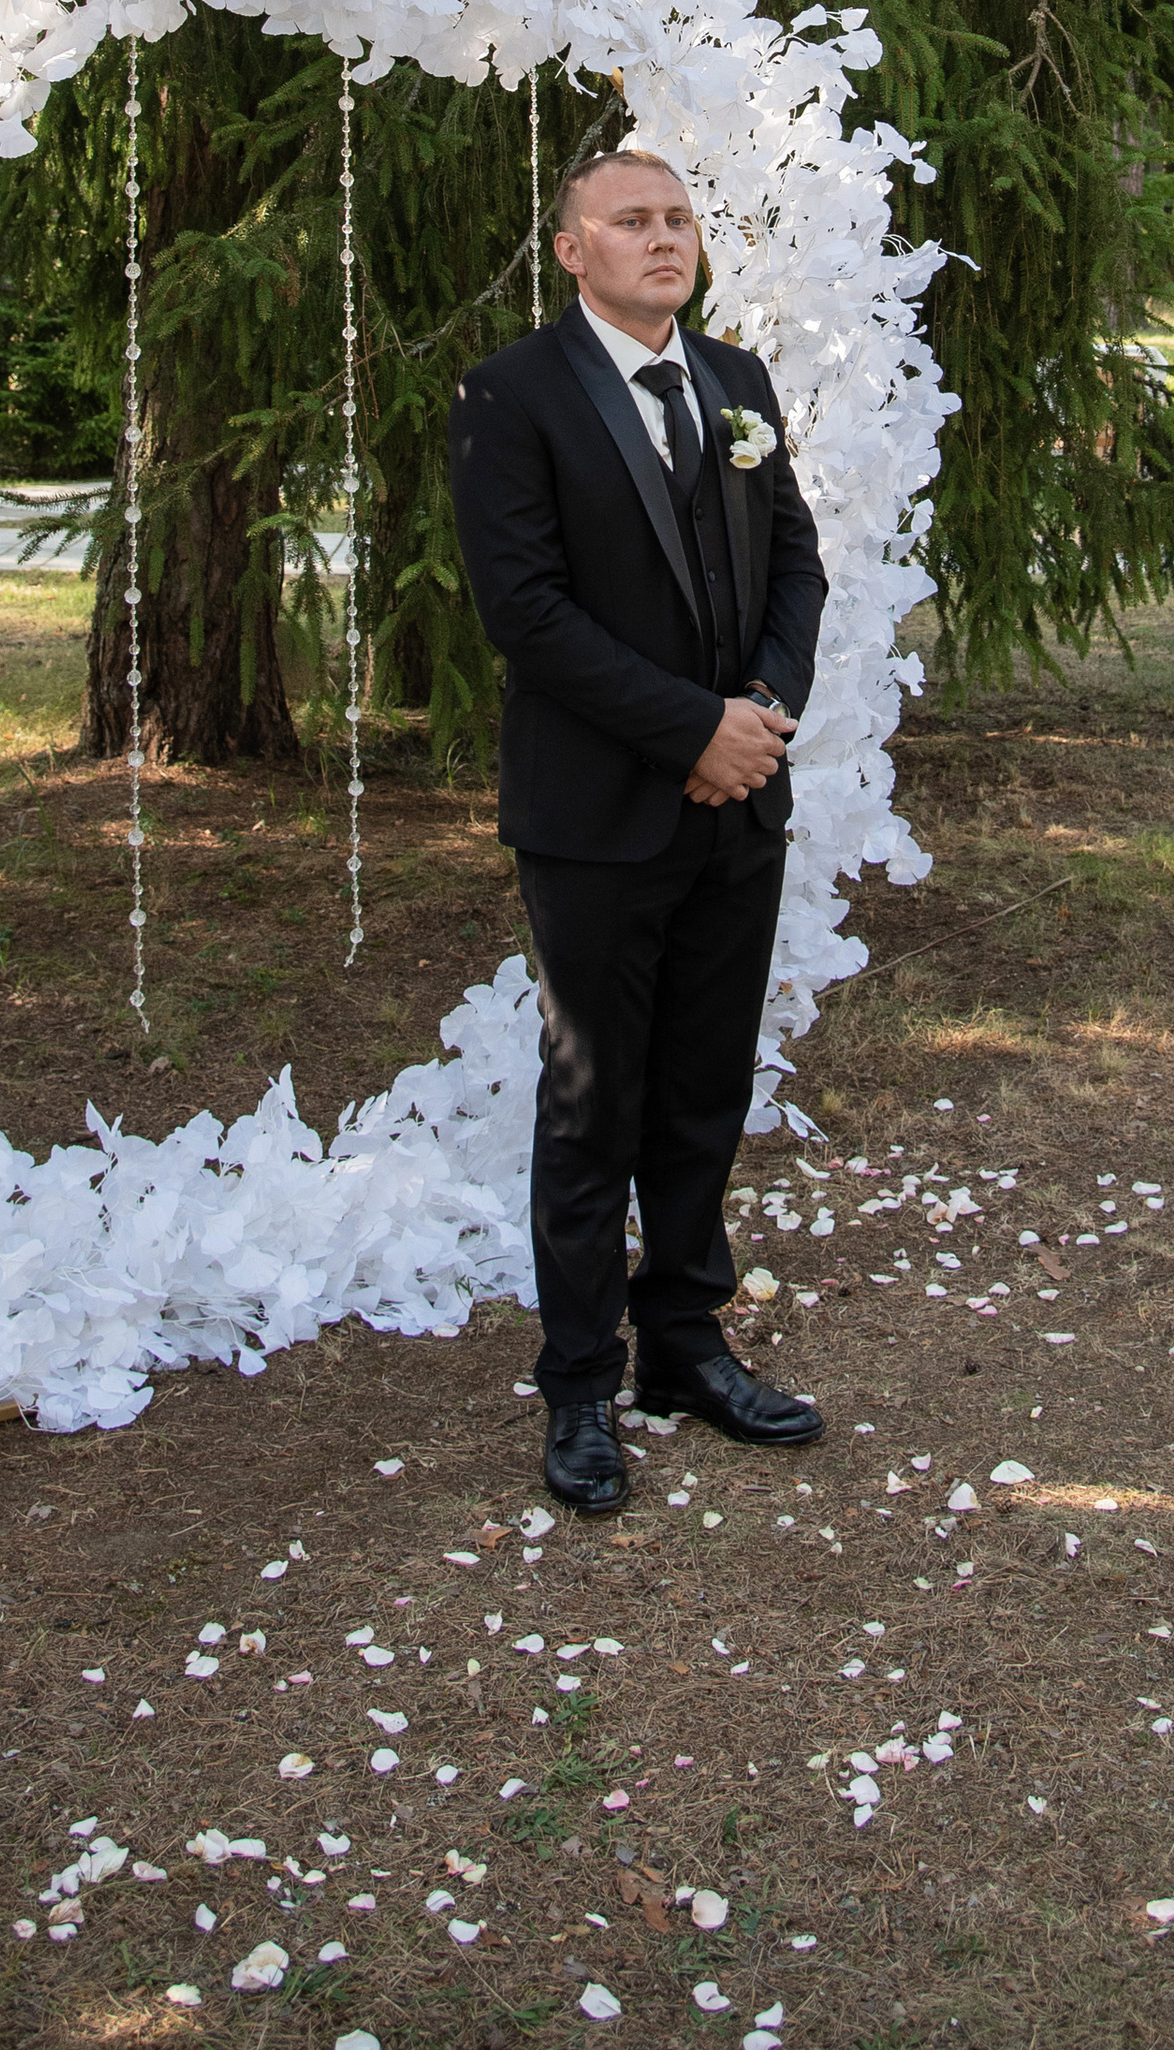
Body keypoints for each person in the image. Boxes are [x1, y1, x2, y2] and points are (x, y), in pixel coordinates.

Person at [447, 146, 830, 1517]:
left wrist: (760, 717)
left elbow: (798, 560)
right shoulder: (513, 394)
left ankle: (684, 1344)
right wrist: (690, 731)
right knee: (593, 1099)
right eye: (631, 220)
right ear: (572, 249)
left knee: (703, 1086)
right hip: (598, 814)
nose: (663, 238)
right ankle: (577, 1384)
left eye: (678, 217)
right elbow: (526, 612)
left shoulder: (737, 382)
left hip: (742, 796)